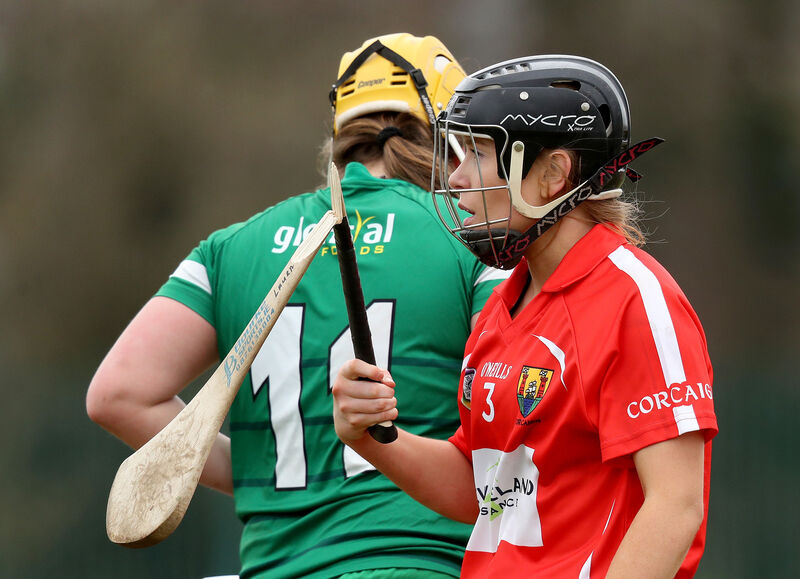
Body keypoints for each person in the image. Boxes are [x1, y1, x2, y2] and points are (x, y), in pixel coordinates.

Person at [87, 33, 509, 578]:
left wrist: (265, 467)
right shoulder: (474, 235)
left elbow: (117, 395)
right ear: (452, 137)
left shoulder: (230, 249)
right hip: (419, 563)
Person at [332, 54, 717, 578]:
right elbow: (485, 489)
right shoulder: (499, 310)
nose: (457, 176)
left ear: (553, 173)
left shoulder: (635, 302)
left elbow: (675, 507)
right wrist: (373, 436)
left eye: (479, 153)